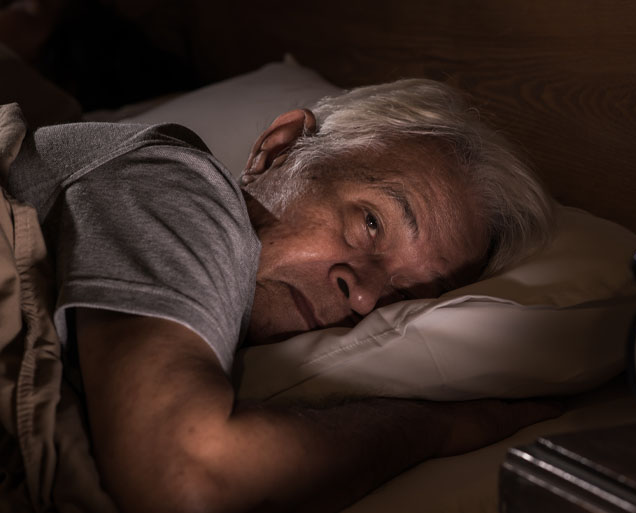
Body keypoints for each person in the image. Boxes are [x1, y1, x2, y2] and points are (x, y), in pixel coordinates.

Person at [1, 35, 562, 513]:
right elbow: (188, 476)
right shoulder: (177, 181)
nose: (365, 294)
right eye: (370, 224)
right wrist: (443, 429)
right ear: (279, 150)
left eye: (407, 292)